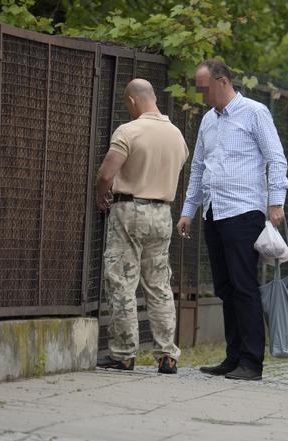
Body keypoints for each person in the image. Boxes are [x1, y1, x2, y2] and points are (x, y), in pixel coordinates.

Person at [176, 59, 288, 381]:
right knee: (225, 287)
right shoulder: (208, 121)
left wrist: (276, 201)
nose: (201, 95)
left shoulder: (254, 113)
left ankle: (252, 362)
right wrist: (188, 210)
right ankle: (234, 356)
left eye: (204, 88)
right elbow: (198, 168)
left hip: (243, 212)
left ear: (222, 81)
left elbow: (275, 158)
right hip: (214, 212)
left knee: (244, 286)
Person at [95, 78, 189, 374]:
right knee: (159, 284)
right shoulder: (177, 136)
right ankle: (167, 355)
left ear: (132, 101)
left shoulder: (129, 130)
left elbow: (106, 172)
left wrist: (101, 193)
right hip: (162, 214)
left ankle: (124, 353)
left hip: (129, 210)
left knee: (122, 281)